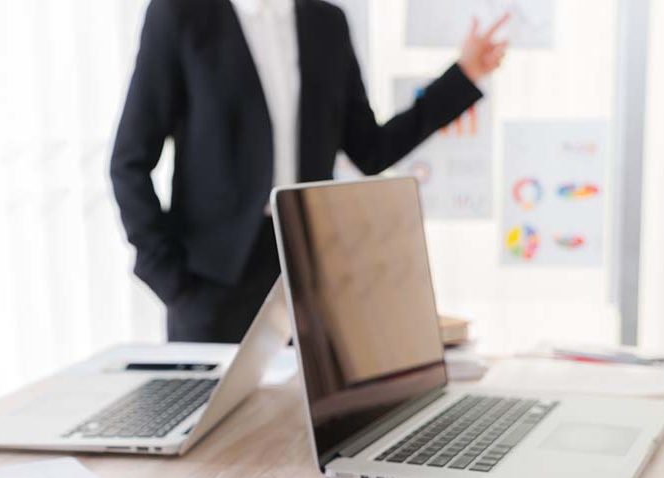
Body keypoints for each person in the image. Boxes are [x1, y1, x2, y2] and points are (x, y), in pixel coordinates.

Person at [111, 0, 508, 343]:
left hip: (305, 274)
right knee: (215, 427)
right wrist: (168, 279)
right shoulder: (181, 13)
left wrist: (463, 75)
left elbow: (371, 150)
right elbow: (129, 161)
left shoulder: (326, 23)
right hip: (211, 280)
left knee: (308, 423)